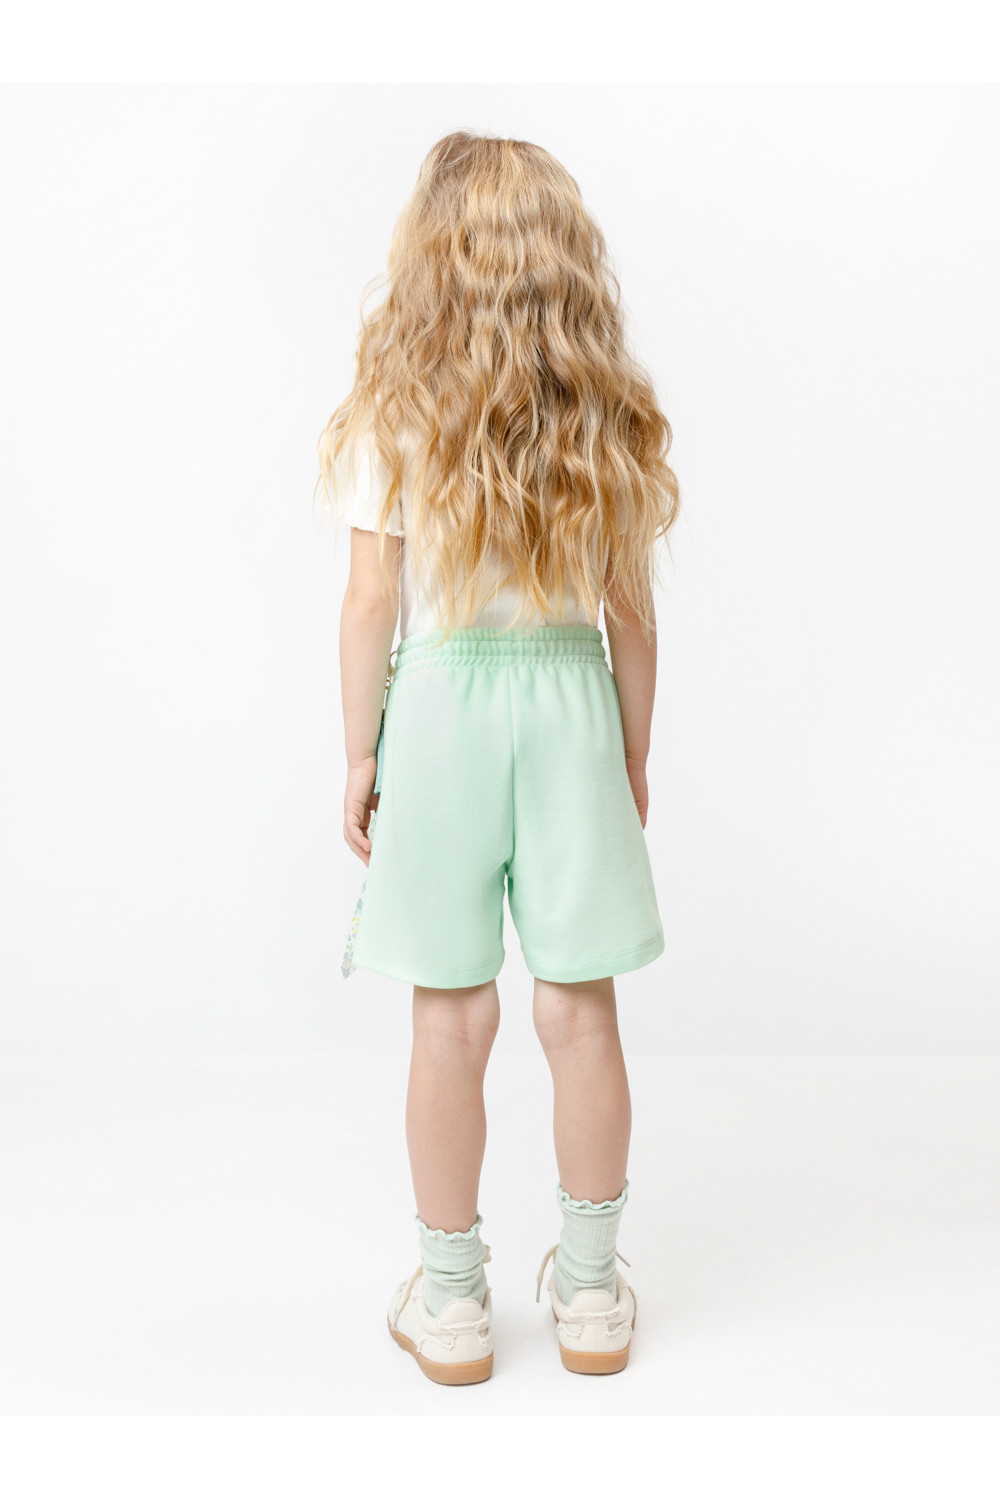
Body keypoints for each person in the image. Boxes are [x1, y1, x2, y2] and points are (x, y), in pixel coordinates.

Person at [318, 131, 680, 1385]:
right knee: (579, 1010)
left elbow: (371, 601)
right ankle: (589, 1294)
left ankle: (452, 1301)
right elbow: (630, 614)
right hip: (572, 704)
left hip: (443, 713)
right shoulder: (602, 409)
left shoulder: (394, 408)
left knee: (450, 1014)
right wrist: (631, 751)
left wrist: (357, 755)